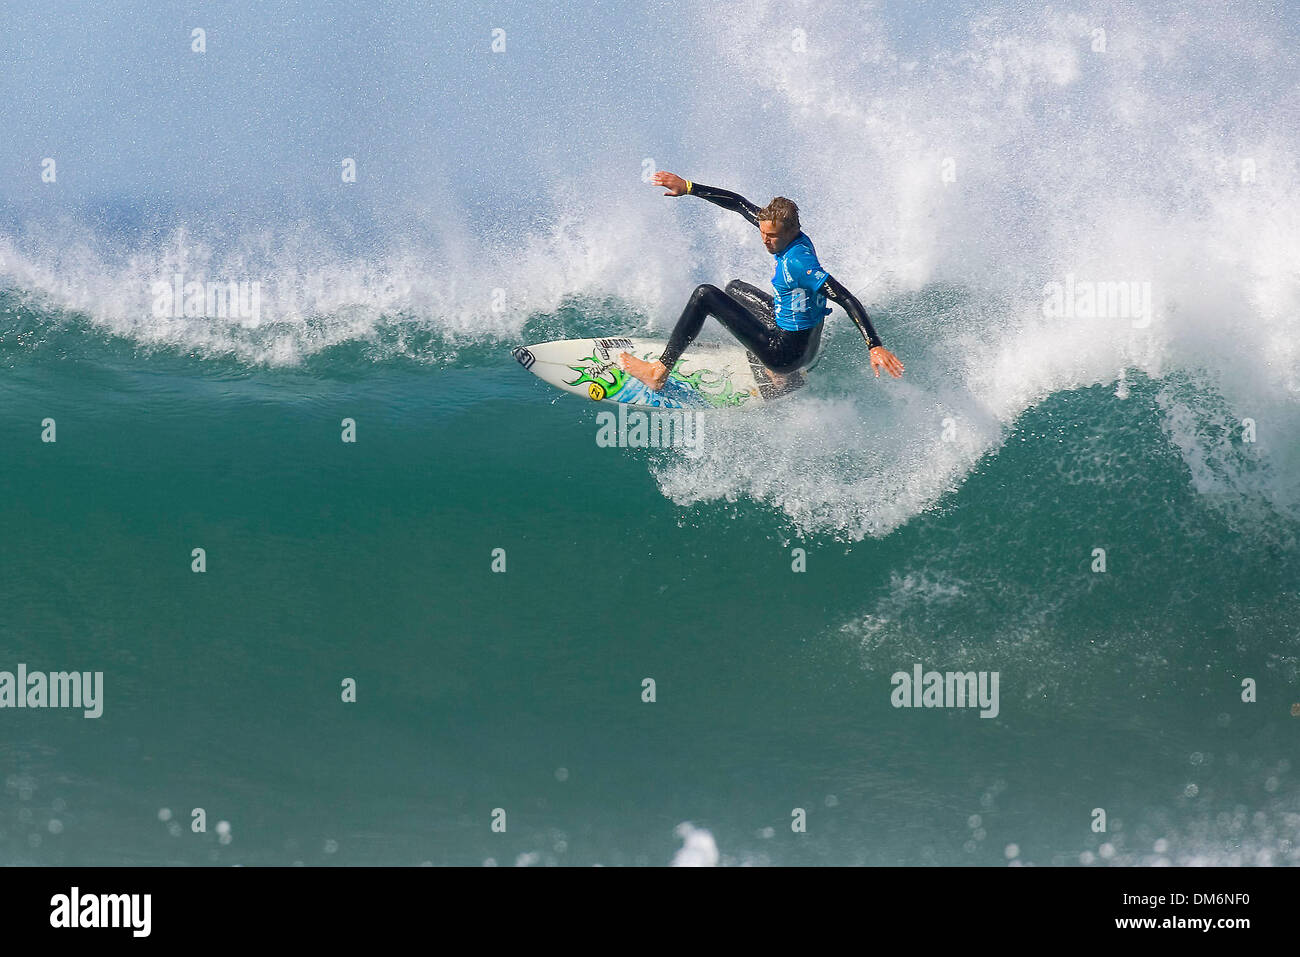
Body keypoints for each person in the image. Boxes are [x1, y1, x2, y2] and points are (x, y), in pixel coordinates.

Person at [619, 171, 904, 393]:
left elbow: (845, 297)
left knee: (705, 295)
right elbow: (738, 203)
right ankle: (782, 378)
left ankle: (658, 373)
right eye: (763, 233)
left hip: (785, 354)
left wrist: (874, 344)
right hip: (803, 340)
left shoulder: (799, 262)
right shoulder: (784, 233)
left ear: (792, 230)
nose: (765, 240)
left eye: (772, 237)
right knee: (733, 290)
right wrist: (690, 187)